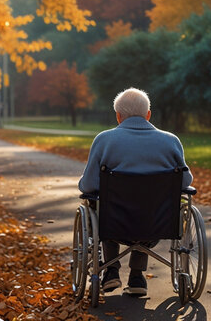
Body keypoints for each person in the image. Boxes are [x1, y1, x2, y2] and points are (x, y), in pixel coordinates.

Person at [78, 88, 193, 296]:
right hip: (157, 222)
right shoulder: (171, 141)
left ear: (118, 116)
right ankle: (137, 276)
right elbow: (186, 182)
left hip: (114, 222)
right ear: (148, 115)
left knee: (102, 205)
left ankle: (111, 271)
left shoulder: (104, 140)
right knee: (147, 208)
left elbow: (88, 186)